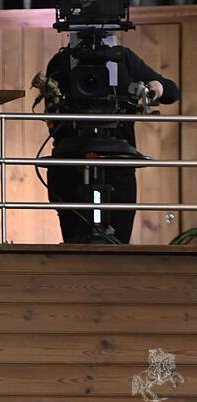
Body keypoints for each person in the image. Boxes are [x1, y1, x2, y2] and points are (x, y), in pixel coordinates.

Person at [45, 32, 179, 244]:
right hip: (74, 165)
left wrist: (155, 88)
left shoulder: (122, 58)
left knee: (114, 249)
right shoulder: (62, 61)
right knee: (78, 248)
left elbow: (171, 92)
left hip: (108, 163)